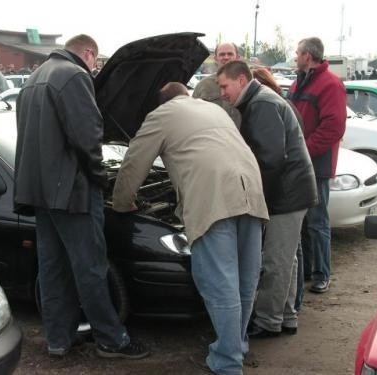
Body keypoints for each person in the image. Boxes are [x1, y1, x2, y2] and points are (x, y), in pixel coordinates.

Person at [113, 81, 268, 374]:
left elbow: (134, 162)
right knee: (245, 279)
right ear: (187, 94)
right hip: (252, 191)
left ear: (163, 102)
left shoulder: (162, 115)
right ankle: (238, 343)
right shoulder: (213, 109)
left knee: (220, 283)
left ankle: (227, 362)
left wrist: (122, 203)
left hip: (213, 196)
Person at [14, 34, 149, 360]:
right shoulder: (74, 76)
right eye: (96, 62)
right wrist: (100, 178)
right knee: (90, 267)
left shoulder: (34, 77)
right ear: (88, 53)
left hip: (40, 192)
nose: (95, 69)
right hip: (72, 193)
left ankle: (58, 340)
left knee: (52, 269)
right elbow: (87, 136)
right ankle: (111, 340)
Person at [217, 61, 318, 338]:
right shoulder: (260, 100)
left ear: (240, 80)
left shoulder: (261, 104)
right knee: (287, 259)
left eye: (224, 86)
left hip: (287, 194)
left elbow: (270, 159)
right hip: (292, 190)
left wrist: (255, 198)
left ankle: (268, 322)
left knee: (276, 261)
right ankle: (286, 316)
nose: (222, 92)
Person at [288, 37, 346, 294]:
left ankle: (322, 273)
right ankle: (309, 269)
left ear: (308, 56)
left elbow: (334, 127)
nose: (295, 56)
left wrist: (304, 150)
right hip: (299, 163)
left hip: (317, 166)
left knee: (317, 221)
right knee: (302, 222)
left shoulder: (330, 84)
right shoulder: (297, 81)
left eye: (297, 52)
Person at [192, 42, 242, 127]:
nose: (226, 57)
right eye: (222, 54)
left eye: (230, 54)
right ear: (215, 58)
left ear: (237, 57)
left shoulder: (246, 84)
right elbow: (193, 116)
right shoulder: (203, 86)